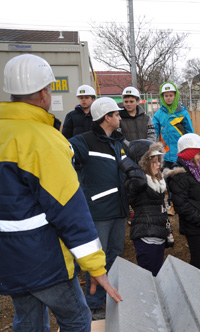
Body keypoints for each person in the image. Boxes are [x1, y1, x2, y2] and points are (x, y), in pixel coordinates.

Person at [0, 54, 122, 331]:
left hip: (7, 255)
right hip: (42, 258)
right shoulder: (42, 139)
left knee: (28, 321)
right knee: (77, 321)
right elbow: (69, 210)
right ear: (44, 92)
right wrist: (95, 267)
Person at [69, 97, 129, 319]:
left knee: (115, 254)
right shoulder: (82, 142)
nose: (120, 117)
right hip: (99, 212)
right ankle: (94, 306)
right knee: (96, 259)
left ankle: (108, 298)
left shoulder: (118, 141)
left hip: (119, 209)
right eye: (116, 114)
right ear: (107, 117)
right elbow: (65, 161)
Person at [165, 134, 200, 270]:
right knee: (198, 262)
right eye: (198, 153)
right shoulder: (179, 174)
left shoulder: (199, 170)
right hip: (196, 226)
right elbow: (181, 205)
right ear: (189, 153)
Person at [121, 140, 168, 276]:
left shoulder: (157, 180)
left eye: (159, 160)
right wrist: (130, 162)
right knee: (148, 276)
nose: (159, 164)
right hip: (145, 236)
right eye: (154, 161)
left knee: (157, 274)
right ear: (143, 162)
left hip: (158, 234)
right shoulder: (136, 181)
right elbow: (139, 181)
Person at [152, 82, 194, 169]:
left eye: (171, 95)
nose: (168, 98)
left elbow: (190, 132)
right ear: (162, 96)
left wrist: (191, 151)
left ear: (175, 95)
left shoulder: (183, 113)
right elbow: (153, 133)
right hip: (164, 156)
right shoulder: (158, 115)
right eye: (166, 96)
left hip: (180, 155)